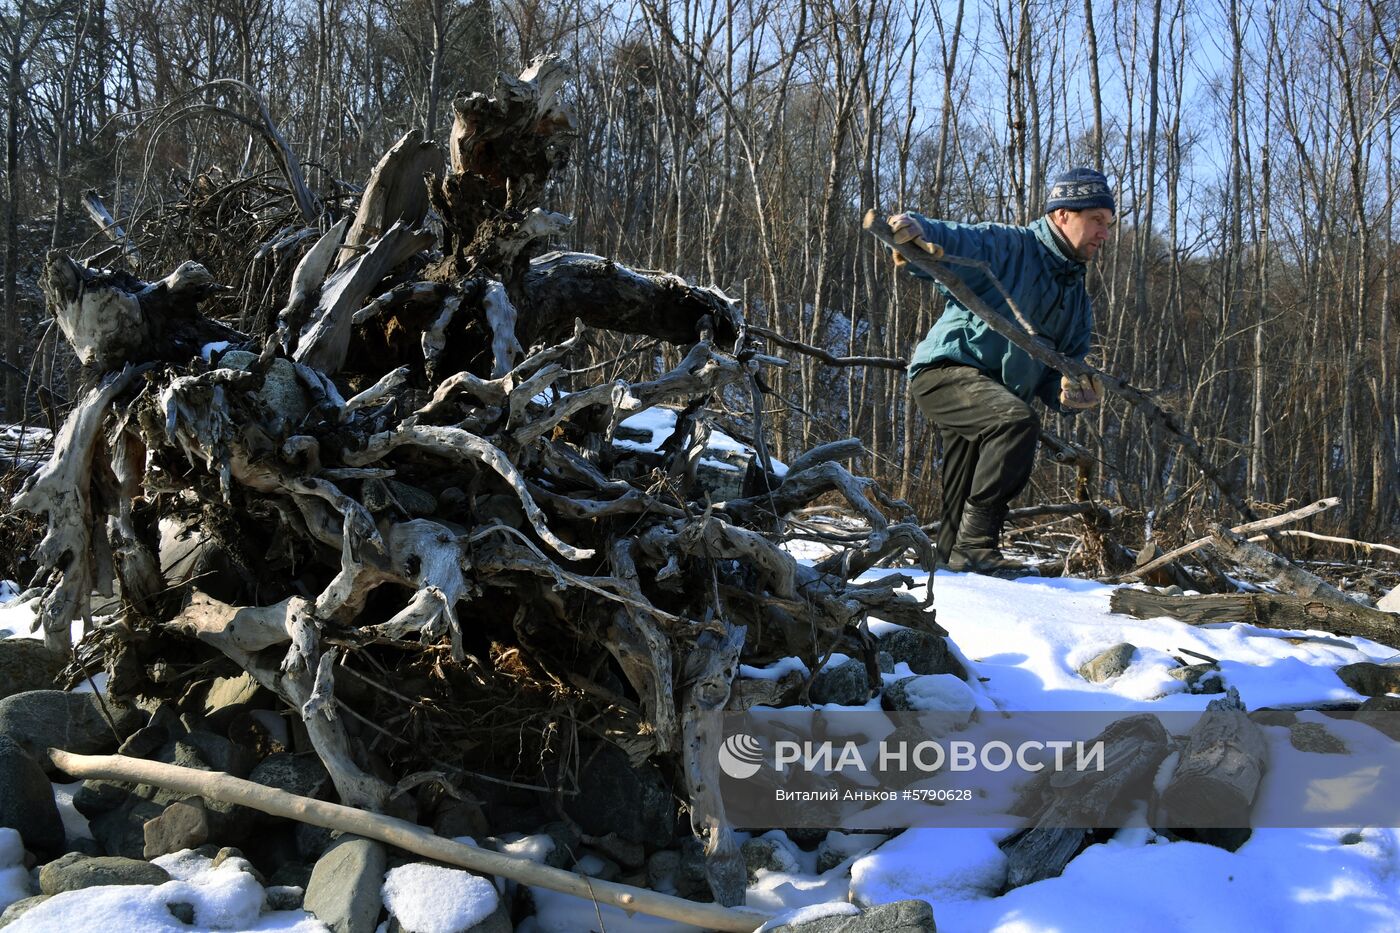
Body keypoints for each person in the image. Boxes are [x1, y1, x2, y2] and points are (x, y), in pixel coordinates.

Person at [890, 167, 1113, 574]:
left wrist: (1071, 395)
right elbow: (957, 239)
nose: (1104, 233)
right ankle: (977, 548)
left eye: (1109, 224)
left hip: (994, 395)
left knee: (956, 522)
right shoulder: (1011, 246)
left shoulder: (1077, 301)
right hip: (946, 371)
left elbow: (1058, 374)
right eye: (1097, 219)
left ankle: (953, 572)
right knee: (1015, 421)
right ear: (1062, 214)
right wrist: (916, 228)